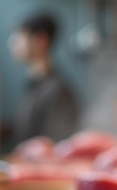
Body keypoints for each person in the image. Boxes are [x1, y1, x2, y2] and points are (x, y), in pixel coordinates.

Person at [7, 12, 81, 146]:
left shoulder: (56, 91)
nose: (12, 43)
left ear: (41, 41)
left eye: (20, 36)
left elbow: (57, 146)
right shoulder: (34, 85)